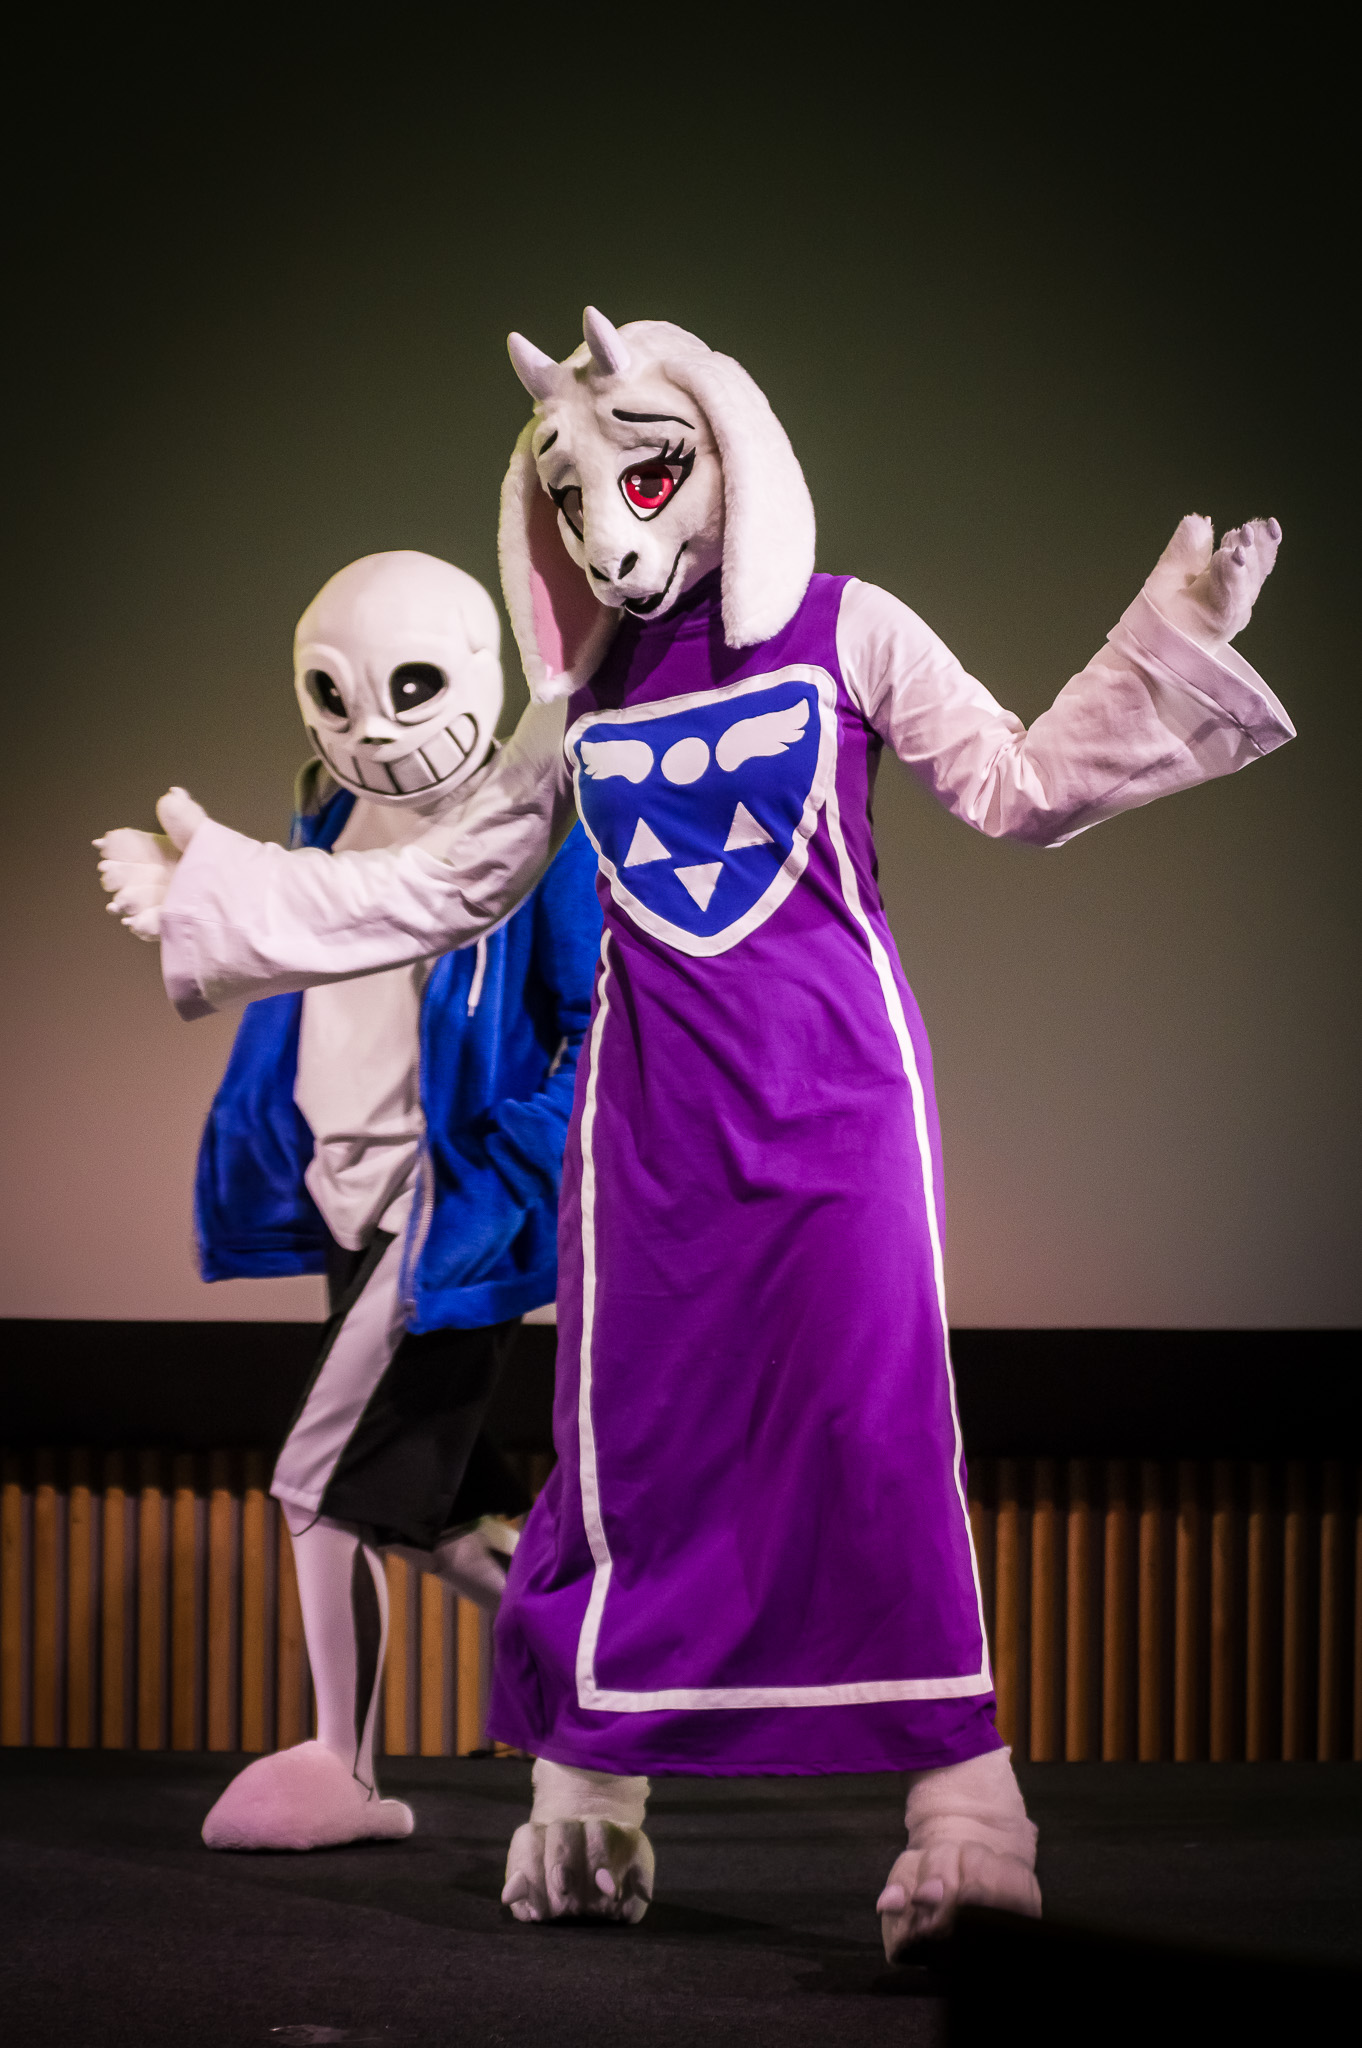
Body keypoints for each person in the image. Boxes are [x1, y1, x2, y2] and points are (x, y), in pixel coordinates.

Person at [98, 313, 1290, 1951]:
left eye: (643, 478)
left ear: (728, 453)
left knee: (869, 1428)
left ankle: (964, 1806)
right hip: (642, 1132)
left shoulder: (851, 629)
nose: (606, 529)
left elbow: (1015, 788)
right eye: (568, 497)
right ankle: (590, 1783)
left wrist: (1167, 642)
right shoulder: (578, 702)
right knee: (632, 1450)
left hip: (837, 1104)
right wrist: (224, 891)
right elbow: (434, 886)